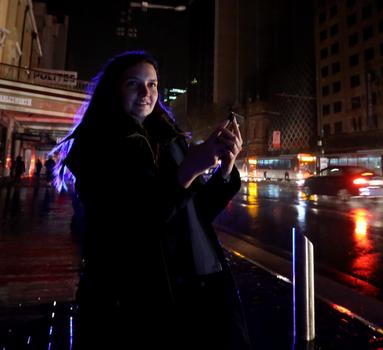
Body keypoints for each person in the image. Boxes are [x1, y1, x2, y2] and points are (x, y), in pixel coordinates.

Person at [52, 51, 249, 349]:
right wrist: (190, 169)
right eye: (134, 83)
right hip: (133, 301)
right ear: (114, 89)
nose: (146, 92)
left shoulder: (171, 140)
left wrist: (226, 166)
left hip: (198, 287)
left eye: (153, 84)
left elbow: (197, 212)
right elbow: (134, 224)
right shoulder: (96, 146)